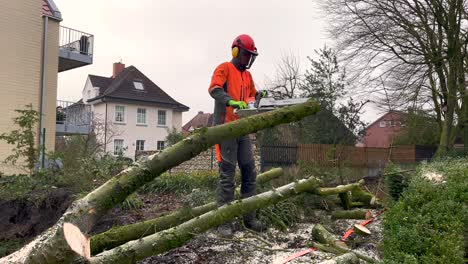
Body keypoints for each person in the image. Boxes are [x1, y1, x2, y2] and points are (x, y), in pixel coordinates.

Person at [208, 34, 267, 237]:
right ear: (236, 51)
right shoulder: (224, 68)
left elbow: (251, 96)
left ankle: (249, 218)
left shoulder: (247, 76)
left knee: (250, 172)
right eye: (245, 55)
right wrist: (230, 102)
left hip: (242, 129)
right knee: (227, 176)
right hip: (225, 128)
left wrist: (258, 97)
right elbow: (214, 89)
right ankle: (223, 222)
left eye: (250, 56)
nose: (247, 59)